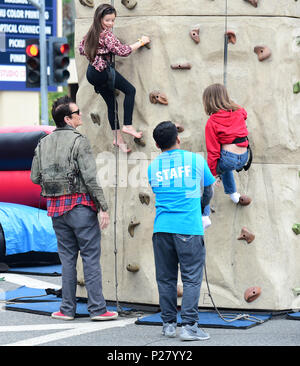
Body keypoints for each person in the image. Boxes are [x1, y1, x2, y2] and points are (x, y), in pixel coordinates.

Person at [31, 96, 117, 322]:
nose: (81, 114)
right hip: (80, 207)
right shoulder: (80, 141)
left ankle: (66, 309)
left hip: (56, 210)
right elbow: (90, 178)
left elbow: (34, 177)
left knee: (67, 260)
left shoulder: (43, 143)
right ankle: (98, 310)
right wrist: (103, 207)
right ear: (68, 119)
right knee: (90, 257)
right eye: (77, 112)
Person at [148, 121, 215, 341]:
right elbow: (208, 189)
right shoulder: (196, 160)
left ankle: (168, 324)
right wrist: (201, 210)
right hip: (188, 227)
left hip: (162, 229)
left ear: (157, 145)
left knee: (165, 279)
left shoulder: (153, 166)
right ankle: (189, 327)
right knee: (192, 279)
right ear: (178, 138)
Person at [79, 3, 150, 153]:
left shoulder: (91, 33)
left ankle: (118, 139)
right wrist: (141, 42)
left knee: (112, 105)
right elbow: (123, 51)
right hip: (103, 71)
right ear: (99, 19)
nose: (111, 24)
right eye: (107, 20)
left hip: (92, 72)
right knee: (130, 90)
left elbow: (81, 48)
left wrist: (96, 53)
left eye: (113, 20)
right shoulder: (106, 35)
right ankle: (127, 125)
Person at [202, 83, 252, 227]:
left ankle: (204, 215)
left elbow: (213, 152)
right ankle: (233, 194)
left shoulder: (212, 122)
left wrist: (211, 176)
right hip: (243, 157)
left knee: (205, 177)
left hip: (228, 159)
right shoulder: (239, 111)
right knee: (225, 167)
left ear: (208, 101)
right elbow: (245, 114)